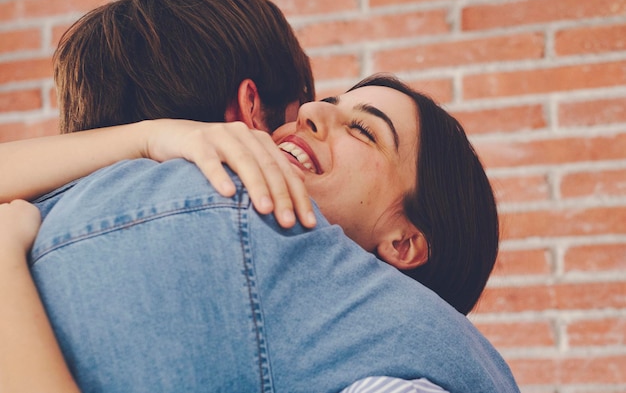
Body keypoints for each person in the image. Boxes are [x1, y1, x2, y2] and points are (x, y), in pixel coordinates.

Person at [3, 74, 517, 393]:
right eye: (329, 103)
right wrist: (151, 136)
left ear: (403, 242)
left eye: (363, 130)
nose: (312, 111)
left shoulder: (410, 366)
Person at [1, 0, 317, 229]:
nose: (308, 122)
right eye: (299, 108)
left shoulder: (29, 223)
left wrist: (149, 137)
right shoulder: (279, 230)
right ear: (249, 108)